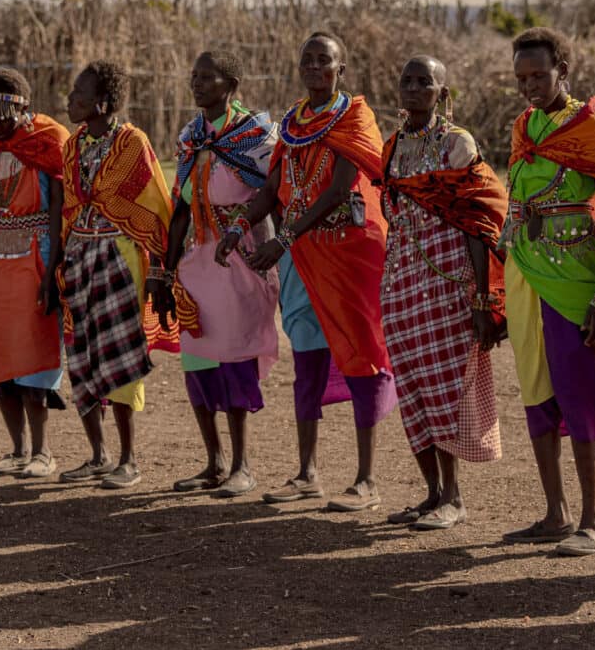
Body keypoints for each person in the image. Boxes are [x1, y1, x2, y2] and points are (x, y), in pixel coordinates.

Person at [236, 33, 393, 512]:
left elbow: (339, 189)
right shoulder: (292, 122)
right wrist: (242, 224)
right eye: (307, 59)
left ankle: (366, 479)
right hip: (303, 256)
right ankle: (307, 473)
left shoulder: (355, 118)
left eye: (324, 60)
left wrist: (284, 237)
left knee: (361, 355)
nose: (314, 67)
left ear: (340, 69)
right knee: (307, 359)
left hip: (349, 253)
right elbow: (275, 188)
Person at [499, 26, 595, 556]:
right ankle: (555, 512)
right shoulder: (523, 127)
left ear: (563, 72)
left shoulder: (588, 125)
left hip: (574, 271)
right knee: (535, 389)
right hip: (525, 269)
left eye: (539, 74)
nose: (529, 85)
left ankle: (592, 519)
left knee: (578, 392)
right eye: (521, 76)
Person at [378, 56, 507, 531]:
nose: (413, 89)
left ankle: (453, 497)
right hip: (400, 284)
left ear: (441, 92)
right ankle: (431, 493)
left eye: (424, 82)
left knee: (446, 388)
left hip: (447, 282)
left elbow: (477, 220)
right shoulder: (391, 147)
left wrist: (481, 298)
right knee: (411, 387)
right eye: (406, 80)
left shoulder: (456, 143)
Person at [149, 51, 281, 500]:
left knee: (235, 358)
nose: (197, 82)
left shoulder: (256, 135)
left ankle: (243, 465)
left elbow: (274, 192)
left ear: (232, 83)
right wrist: (165, 273)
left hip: (240, 260)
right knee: (198, 360)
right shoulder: (190, 137)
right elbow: (181, 206)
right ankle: (213, 461)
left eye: (208, 76)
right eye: (194, 75)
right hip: (197, 263)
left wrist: (264, 240)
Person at [56, 60, 174, 486]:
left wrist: (160, 269)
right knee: (81, 353)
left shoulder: (132, 143)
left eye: (79, 92)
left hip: (120, 256)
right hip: (78, 257)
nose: (71, 98)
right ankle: (97, 454)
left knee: (121, 354)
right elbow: (68, 208)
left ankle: (128, 459)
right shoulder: (71, 147)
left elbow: (156, 205)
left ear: (102, 102)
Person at [0, 68, 72, 480]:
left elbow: (59, 205)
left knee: (33, 356)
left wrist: (52, 267)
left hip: (34, 255)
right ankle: (18, 449)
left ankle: (43, 451)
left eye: (7, 109)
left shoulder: (49, 139)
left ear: (25, 107)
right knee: (1, 360)